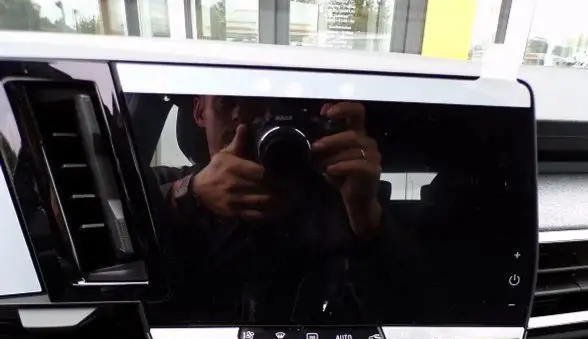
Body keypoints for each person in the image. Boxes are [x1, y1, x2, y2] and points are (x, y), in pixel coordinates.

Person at [153, 95, 423, 325]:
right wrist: (188, 194)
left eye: (258, 104)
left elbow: (416, 314)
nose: (240, 115)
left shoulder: (345, 196)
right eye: (227, 102)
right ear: (200, 111)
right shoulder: (161, 188)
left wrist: (366, 219)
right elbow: (130, 247)